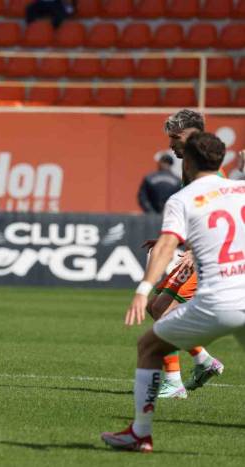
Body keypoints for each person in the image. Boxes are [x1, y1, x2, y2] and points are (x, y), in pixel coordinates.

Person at [101, 132, 245, 453]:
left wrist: (142, 289)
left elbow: (167, 245)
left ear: (188, 161)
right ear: (222, 161)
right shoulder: (240, 189)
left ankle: (141, 432)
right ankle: (201, 363)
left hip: (218, 299)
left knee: (149, 345)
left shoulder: (182, 198)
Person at [145, 109, 223, 399]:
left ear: (192, 136)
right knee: (159, 308)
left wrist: (193, 250)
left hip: (207, 256)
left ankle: (176, 381)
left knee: (160, 309)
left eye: (175, 138)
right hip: (199, 251)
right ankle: (202, 362)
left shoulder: (208, 172)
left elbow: (214, 215)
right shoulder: (191, 166)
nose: (171, 145)